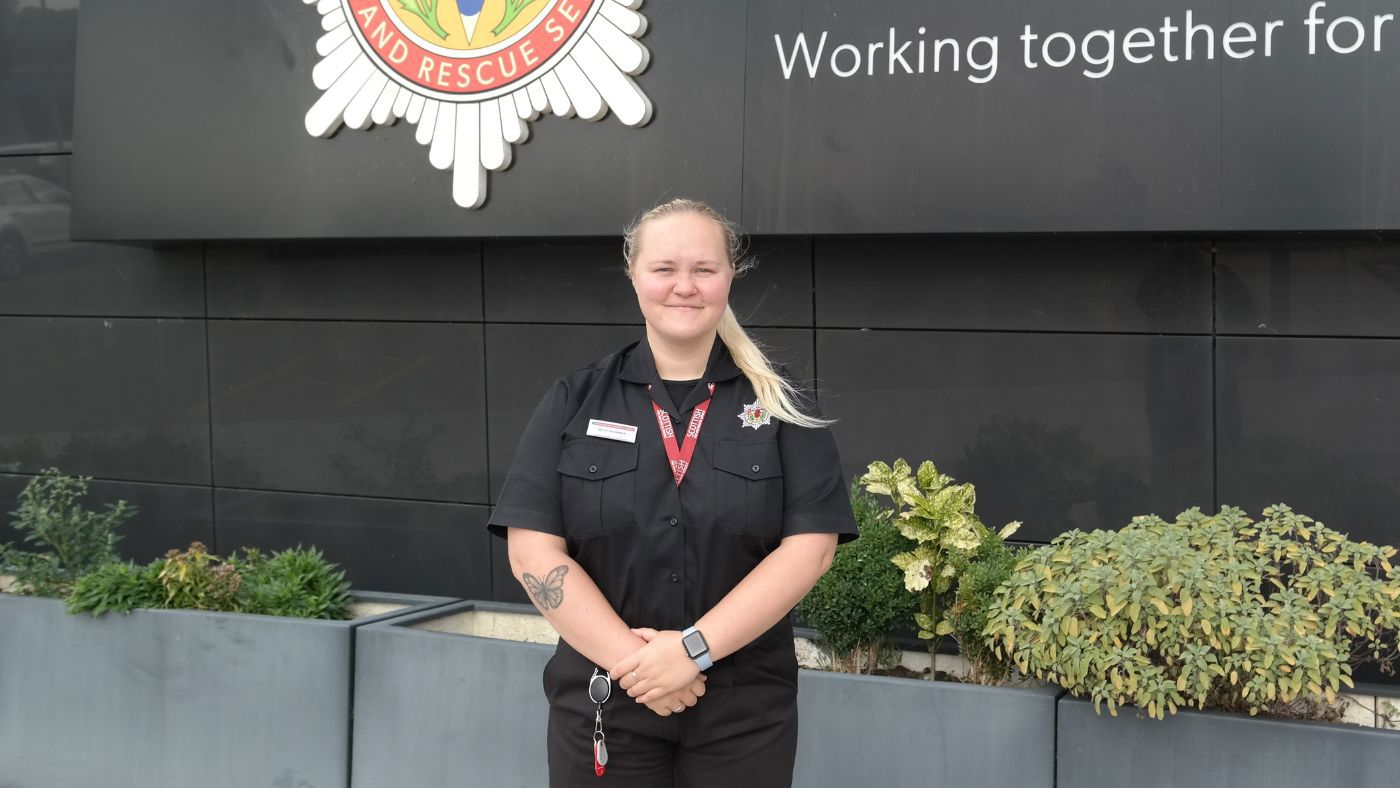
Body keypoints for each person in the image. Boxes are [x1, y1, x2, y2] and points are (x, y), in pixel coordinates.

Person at [487, 198, 858, 787]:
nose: (684, 286)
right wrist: (641, 668)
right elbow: (532, 552)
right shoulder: (574, 400)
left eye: (704, 269)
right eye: (664, 269)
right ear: (634, 276)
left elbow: (808, 551)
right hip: (606, 700)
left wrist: (690, 653)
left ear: (729, 276)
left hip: (743, 713)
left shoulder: (783, 405)